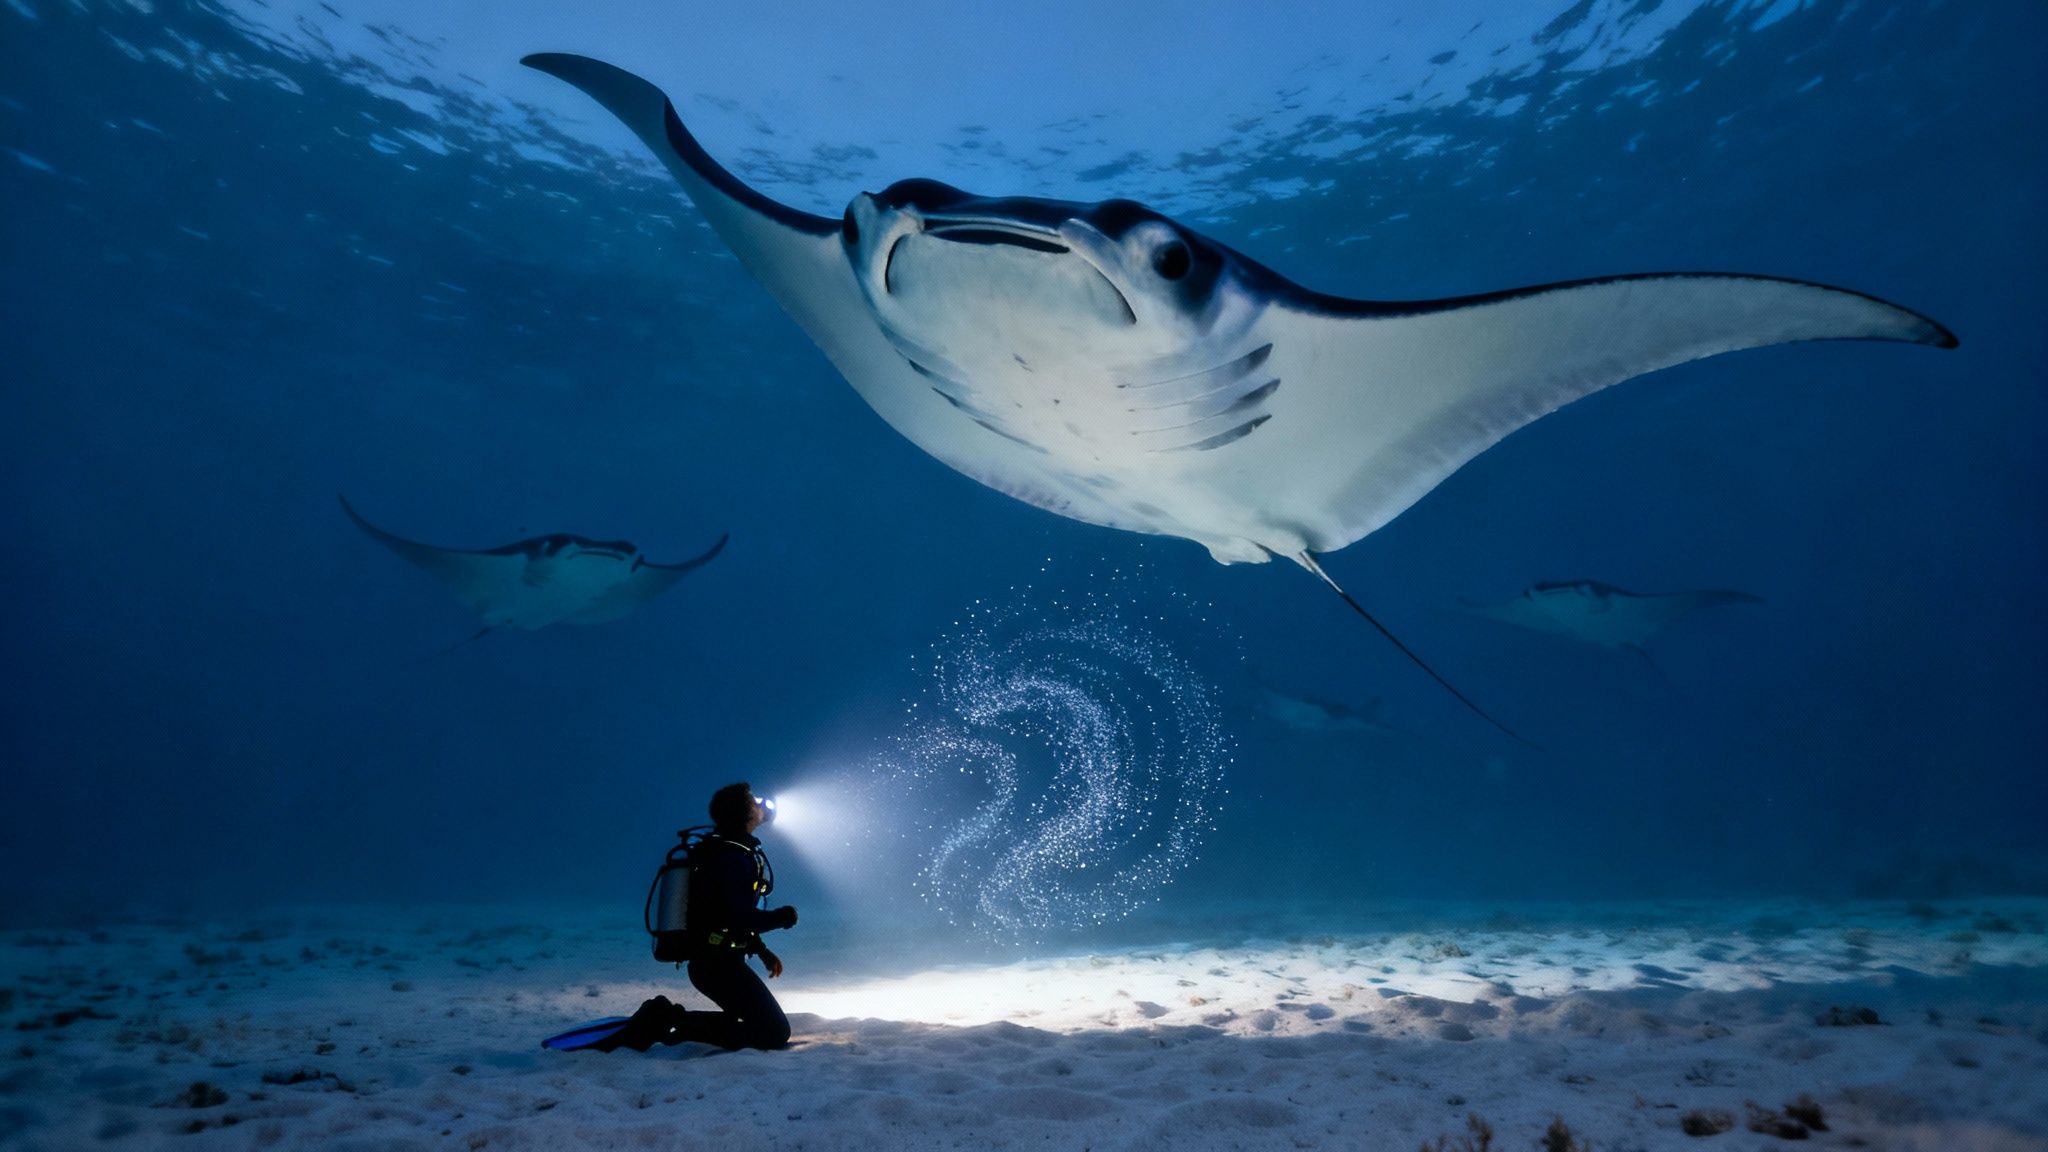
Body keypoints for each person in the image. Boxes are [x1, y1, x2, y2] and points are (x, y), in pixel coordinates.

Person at [603, 782, 799, 1052]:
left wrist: (761, 950)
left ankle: (670, 1018)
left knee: (753, 1022)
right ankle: (668, 1019)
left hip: (716, 963)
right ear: (743, 814)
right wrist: (782, 918)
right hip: (716, 967)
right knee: (774, 1033)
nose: (761, 804)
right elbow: (737, 917)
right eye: (754, 801)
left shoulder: (730, 852)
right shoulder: (732, 858)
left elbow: (723, 915)